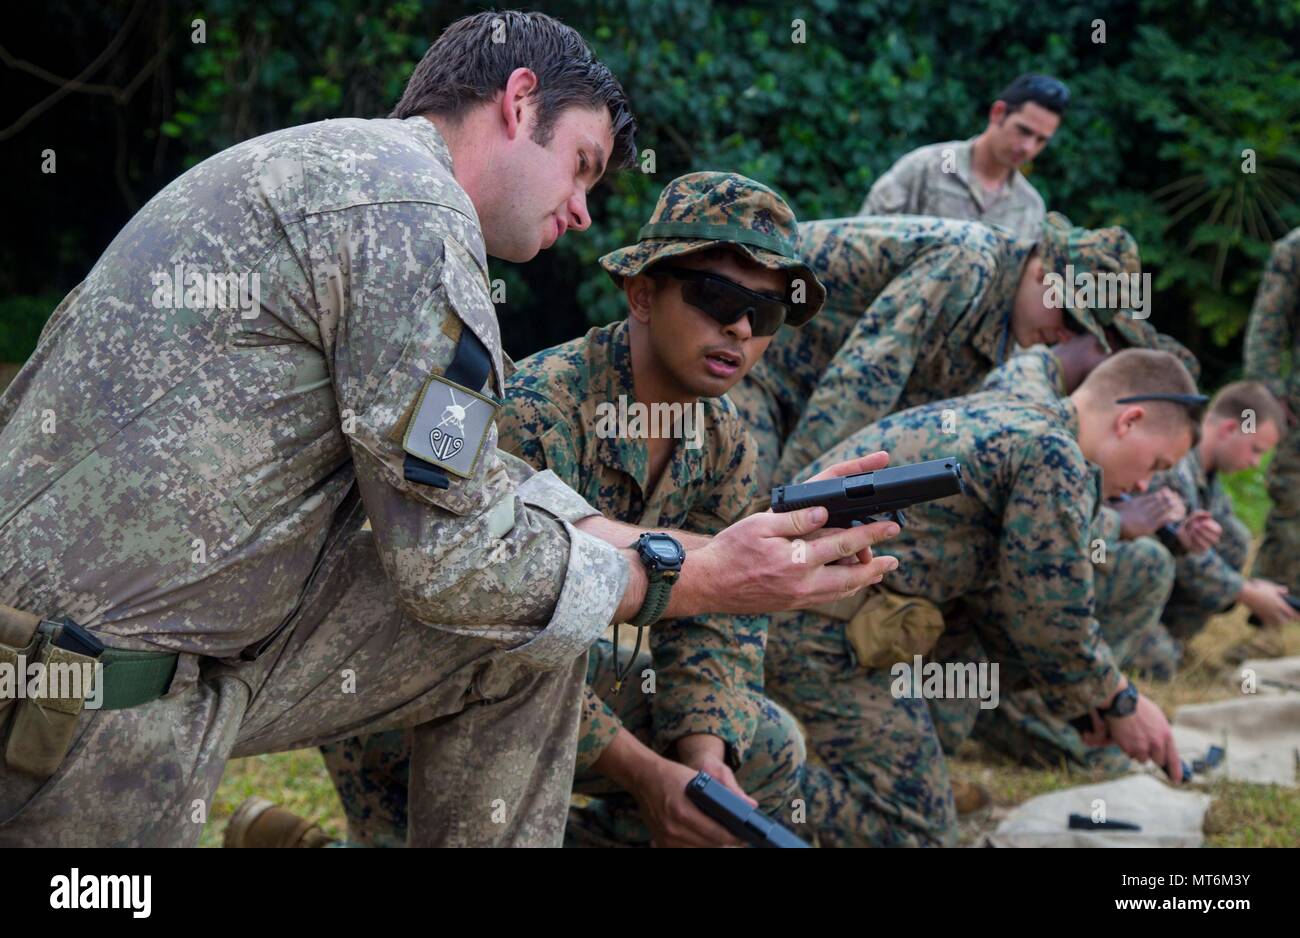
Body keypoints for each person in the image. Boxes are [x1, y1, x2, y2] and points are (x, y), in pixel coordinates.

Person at [0, 12, 897, 848]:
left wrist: (693, 554)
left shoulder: (344, 174)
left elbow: (469, 488)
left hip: (138, 659)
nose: (584, 210)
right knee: (519, 612)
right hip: (83, 708)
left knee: (526, 642)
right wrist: (693, 573)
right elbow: (457, 566)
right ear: (519, 103)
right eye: (582, 164)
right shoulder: (410, 216)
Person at [302, 173, 826, 850]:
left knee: (760, 745)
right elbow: (481, 625)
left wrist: (700, 759)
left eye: (768, 312)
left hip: (553, 665)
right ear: (642, 293)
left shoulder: (724, 442)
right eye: (717, 296)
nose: (741, 327)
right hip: (424, 681)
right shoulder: (532, 409)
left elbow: (717, 613)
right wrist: (644, 775)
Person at [765, 348, 1200, 847]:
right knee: (919, 836)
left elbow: (1015, 602)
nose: (1146, 483)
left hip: (834, 607)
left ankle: (901, 777)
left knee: (970, 654)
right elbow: (1050, 614)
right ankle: (742, 774)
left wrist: (1084, 707)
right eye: (1157, 463)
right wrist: (1119, 699)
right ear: (1130, 420)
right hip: (814, 623)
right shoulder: (1052, 453)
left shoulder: (1013, 411)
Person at [729, 211, 1175, 491]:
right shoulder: (970, 262)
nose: (1065, 338)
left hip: (802, 398)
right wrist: (798, 495)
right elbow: (863, 378)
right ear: (1042, 271)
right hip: (753, 357)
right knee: (741, 506)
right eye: (1070, 319)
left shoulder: (1002, 334)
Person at [1133, 382, 1297, 671]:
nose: (1255, 464)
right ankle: (1145, 637)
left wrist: (1252, 588)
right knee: (1160, 665)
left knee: (1234, 537)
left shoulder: (1210, 480)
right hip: (1126, 591)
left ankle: (1172, 636)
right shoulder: (1173, 465)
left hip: (1157, 589)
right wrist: (1246, 593)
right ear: (1230, 429)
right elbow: (1183, 555)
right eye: (1255, 450)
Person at [859, 74, 1069, 239]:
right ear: (998, 113)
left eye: (1041, 140)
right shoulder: (928, 167)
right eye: (1023, 131)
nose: (1028, 147)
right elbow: (861, 240)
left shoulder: (1030, 207)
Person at [1245, 228, 1300, 598]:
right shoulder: (1295, 249)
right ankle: (1274, 614)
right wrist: (1267, 391)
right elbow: (1267, 324)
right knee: (1293, 504)